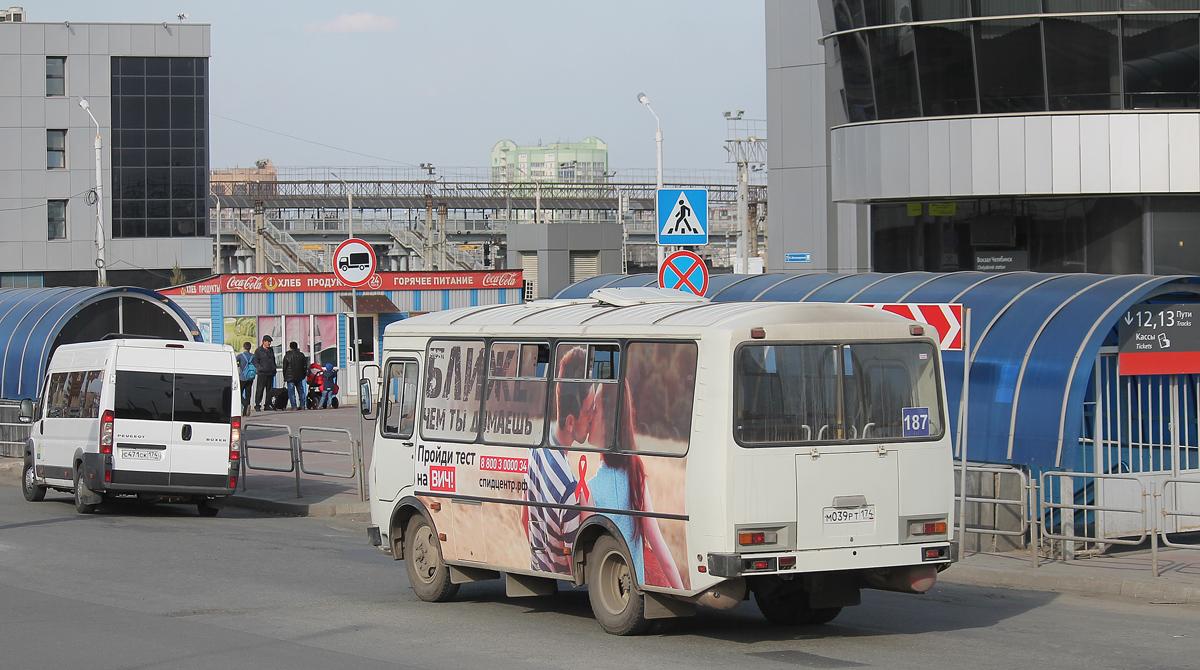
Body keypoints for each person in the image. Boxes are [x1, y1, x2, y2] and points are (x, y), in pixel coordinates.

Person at [581, 380, 685, 590]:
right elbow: (661, 551)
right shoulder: (635, 475)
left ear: (607, 422)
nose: (590, 415)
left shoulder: (590, 491)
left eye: (596, 409)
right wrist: (684, 596)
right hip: (638, 595)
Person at [252, 335, 277, 411]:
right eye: (268, 342)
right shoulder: (259, 351)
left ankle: (267, 405)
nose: (269, 343)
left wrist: (274, 368)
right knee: (260, 389)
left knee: (270, 390)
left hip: (270, 373)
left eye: (270, 342)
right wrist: (260, 368)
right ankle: (257, 405)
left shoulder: (271, 350)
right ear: (264, 342)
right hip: (262, 374)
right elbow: (255, 362)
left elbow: (273, 360)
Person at [282, 341, 308, 411]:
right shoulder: (301, 355)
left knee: (291, 392)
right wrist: (304, 375)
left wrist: (285, 376)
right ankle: (302, 405)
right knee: (301, 391)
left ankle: (294, 406)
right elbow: (305, 366)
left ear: (290, 348)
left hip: (290, 377)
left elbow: (284, 367)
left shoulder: (287, 356)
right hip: (299, 376)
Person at [236, 341, 254, 415]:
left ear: (244, 347)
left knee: (239, 393)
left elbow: (235, 361)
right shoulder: (253, 356)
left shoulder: (241, 356)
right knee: (248, 393)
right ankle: (245, 412)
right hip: (250, 377)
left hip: (243, 377)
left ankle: (245, 404)